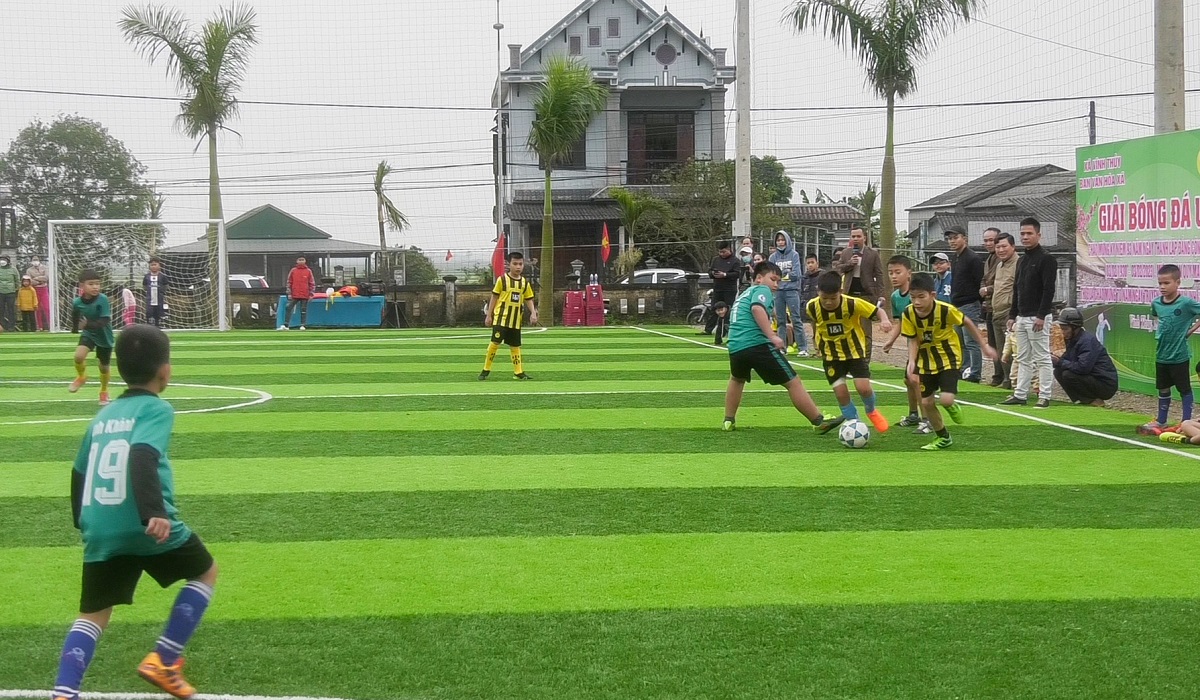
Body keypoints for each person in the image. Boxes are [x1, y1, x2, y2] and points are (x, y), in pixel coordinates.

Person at [50, 324, 219, 700]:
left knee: (94, 614)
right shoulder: (157, 409)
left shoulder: (103, 416)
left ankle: (64, 692)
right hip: (146, 524)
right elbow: (142, 455)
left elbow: (78, 472)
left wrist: (82, 521)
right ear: (165, 370)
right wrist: (152, 512)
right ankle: (165, 659)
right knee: (205, 572)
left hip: (100, 527)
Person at [722, 260, 844, 434]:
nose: (776, 285)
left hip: (735, 346)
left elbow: (752, 311)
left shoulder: (745, 293)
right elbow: (757, 309)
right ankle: (818, 421)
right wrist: (772, 336)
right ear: (759, 278)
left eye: (778, 281)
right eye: (773, 279)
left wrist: (775, 317)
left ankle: (728, 420)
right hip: (756, 344)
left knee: (736, 379)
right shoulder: (762, 290)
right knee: (793, 382)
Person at [902, 272, 997, 450]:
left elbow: (967, 322)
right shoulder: (908, 313)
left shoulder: (945, 310)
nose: (916, 302)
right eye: (913, 297)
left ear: (932, 295)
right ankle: (943, 437)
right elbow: (913, 338)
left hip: (949, 358)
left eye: (921, 297)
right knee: (926, 403)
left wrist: (984, 346)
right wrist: (912, 361)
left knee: (945, 400)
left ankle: (951, 405)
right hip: (926, 361)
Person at [806, 270, 893, 433]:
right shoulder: (812, 306)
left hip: (854, 352)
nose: (828, 302)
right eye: (824, 298)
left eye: (833, 298)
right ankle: (854, 422)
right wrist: (816, 343)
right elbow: (816, 323)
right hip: (831, 355)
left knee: (864, 388)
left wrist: (885, 320)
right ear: (818, 292)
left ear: (840, 291)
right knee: (841, 394)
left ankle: (871, 411)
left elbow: (877, 311)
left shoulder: (852, 303)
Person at [1137, 264, 1200, 435]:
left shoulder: (1186, 303)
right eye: (1160, 283)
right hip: (1162, 354)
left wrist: (1190, 330)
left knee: (1184, 389)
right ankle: (1162, 420)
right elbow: (1157, 318)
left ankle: (1185, 423)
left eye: (1166, 283)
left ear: (1178, 282)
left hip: (1179, 355)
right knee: (1163, 388)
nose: (1162, 287)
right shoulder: (1156, 303)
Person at [1001, 217, 1058, 408]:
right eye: (1022, 234)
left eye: (1029, 233)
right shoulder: (1022, 260)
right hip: (1022, 316)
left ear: (1038, 235)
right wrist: (1012, 315)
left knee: (1042, 357)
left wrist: (1042, 315)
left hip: (1037, 316)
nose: (1025, 237)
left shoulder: (1046, 259)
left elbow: (1049, 289)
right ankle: (1020, 394)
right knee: (1022, 357)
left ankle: (1045, 395)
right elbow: (1017, 289)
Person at [882, 255, 924, 432]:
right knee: (908, 380)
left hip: (926, 343)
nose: (893, 276)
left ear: (909, 273)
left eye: (898, 272)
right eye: (891, 272)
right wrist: (890, 341)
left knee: (915, 379)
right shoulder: (895, 297)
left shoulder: (917, 295)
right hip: (912, 344)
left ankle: (927, 419)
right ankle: (913, 415)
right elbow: (901, 321)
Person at [480, 251, 538, 380]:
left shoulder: (524, 283)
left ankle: (518, 372)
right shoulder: (502, 280)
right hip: (501, 318)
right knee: (495, 342)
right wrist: (489, 315)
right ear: (509, 264)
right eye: (515, 264)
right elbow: (494, 297)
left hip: (516, 320)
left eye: (520, 264)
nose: (518, 267)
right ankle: (485, 369)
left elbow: (528, 298)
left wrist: (533, 313)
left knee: (515, 345)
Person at [835, 227, 885, 359]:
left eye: (858, 236)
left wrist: (881, 294)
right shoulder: (846, 253)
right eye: (853, 236)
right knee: (847, 328)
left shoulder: (873, 254)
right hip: (849, 295)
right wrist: (850, 263)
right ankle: (848, 357)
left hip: (866, 295)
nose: (855, 239)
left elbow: (879, 274)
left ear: (864, 238)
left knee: (865, 330)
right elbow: (838, 269)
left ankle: (865, 360)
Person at [1052, 307, 1118, 407]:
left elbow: (1083, 368)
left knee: (1068, 374)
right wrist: (1055, 360)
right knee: (1058, 371)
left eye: (1065, 329)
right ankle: (1079, 400)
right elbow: (1069, 360)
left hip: (1105, 384)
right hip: (1093, 378)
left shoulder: (1087, 341)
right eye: (1061, 328)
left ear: (1075, 328)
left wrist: (1060, 362)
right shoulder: (1072, 339)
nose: (1063, 332)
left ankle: (1093, 400)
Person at [69, 270, 116, 406]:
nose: (95, 287)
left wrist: (87, 324)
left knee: (103, 367)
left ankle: (104, 390)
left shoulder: (103, 299)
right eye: (91, 284)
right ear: (82, 286)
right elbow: (75, 314)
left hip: (104, 336)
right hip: (89, 334)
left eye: (97, 284)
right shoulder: (77, 302)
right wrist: (75, 328)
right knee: (78, 357)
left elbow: (105, 320)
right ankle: (81, 377)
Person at [945, 226, 985, 383]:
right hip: (956, 305)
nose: (952, 241)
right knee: (960, 341)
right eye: (950, 239)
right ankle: (964, 369)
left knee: (971, 342)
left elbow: (979, 281)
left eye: (955, 238)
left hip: (969, 304)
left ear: (964, 238)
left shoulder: (973, 258)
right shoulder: (955, 258)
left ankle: (975, 373)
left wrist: (977, 302)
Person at [982, 232, 1018, 387]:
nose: (1001, 250)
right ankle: (1006, 379)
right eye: (998, 247)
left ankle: (1014, 381)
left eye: (1004, 246)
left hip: (1009, 313)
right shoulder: (999, 265)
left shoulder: (1018, 264)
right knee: (1001, 348)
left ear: (1013, 246)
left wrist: (1014, 312)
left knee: (1013, 350)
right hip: (996, 311)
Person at [768, 231, 804, 355]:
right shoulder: (773, 257)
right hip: (778, 292)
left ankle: (803, 348)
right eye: (778, 240)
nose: (780, 242)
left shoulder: (794, 255)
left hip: (792, 291)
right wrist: (785, 275)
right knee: (780, 321)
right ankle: (781, 347)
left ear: (787, 241)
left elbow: (797, 274)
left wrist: (782, 275)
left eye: (783, 240)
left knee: (796, 319)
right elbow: (771, 275)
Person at [705, 241, 742, 337]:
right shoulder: (715, 260)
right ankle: (708, 329)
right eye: (720, 252)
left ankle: (726, 330)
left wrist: (725, 275)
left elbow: (737, 274)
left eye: (724, 252)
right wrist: (713, 274)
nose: (721, 254)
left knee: (728, 310)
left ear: (729, 250)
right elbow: (710, 271)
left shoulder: (735, 261)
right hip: (717, 288)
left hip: (729, 289)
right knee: (714, 308)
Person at [279, 256, 315, 330]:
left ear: (305, 261)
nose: (301, 261)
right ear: (297, 261)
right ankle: (286, 325)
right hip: (294, 294)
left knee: (303, 310)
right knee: (288, 307)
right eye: (299, 260)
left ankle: (302, 325)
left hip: (305, 294)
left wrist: (311, 294)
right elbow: (289, 282)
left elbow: (312, 283)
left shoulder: (308, 271)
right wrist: (289, 293)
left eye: (302, 260)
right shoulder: (293, 271)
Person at [795, 253, 821, 356]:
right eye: (808, 263)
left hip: (820, 307)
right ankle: (816, 349)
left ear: (817, 263)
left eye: (812, 262)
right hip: (808, 307)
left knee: (820, 329)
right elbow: (801, 291)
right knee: (813, 330)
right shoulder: (804, 278)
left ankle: (821, 350)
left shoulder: (822, 276)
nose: (810, 265)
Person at [143, 257, 170, 328]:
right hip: (150, 299)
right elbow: (144, 286)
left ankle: (158, 325)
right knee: (149, 313)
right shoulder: (147, 276)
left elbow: (166, 285)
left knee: (158, 313)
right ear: (149, 266)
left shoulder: (162, 276)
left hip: (159, 299)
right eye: (152, 265)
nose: (153, 266)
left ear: (159, 266)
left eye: (155, 265)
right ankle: (149, 326)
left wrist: (162, 292)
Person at [27, 255, 50, 331]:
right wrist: (39, 281)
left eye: (36, 259)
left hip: (44, 289)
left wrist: (36, 278)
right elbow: (30, 281)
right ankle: (39, 326)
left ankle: (50, 325)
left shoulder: (45, 268)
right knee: (37, 308)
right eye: (33, 260)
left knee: (46, 307)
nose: (35, 261)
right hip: (35, 290)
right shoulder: (29, 270)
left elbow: (46, 277)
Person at [0, 255, 18, 331]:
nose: (2, 261)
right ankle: (3, 326)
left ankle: (11, 326)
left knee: (11, 310)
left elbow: (17, 280)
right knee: (1, 310)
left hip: (11, 292)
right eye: (1, 259)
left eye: (4, 259)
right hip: (0, 292)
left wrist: (15, 289)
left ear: (8, 261)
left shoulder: (13, 269)